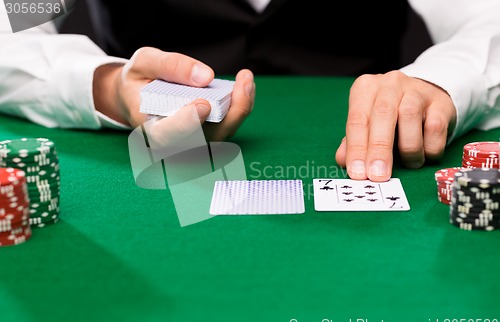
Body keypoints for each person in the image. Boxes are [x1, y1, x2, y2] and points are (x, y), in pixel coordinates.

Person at [0, 0, 499, 182]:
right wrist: (107, 86)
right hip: (136, 169)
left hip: (368, 149)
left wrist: (440, 82)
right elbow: (12, 24)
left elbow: (486, 13)